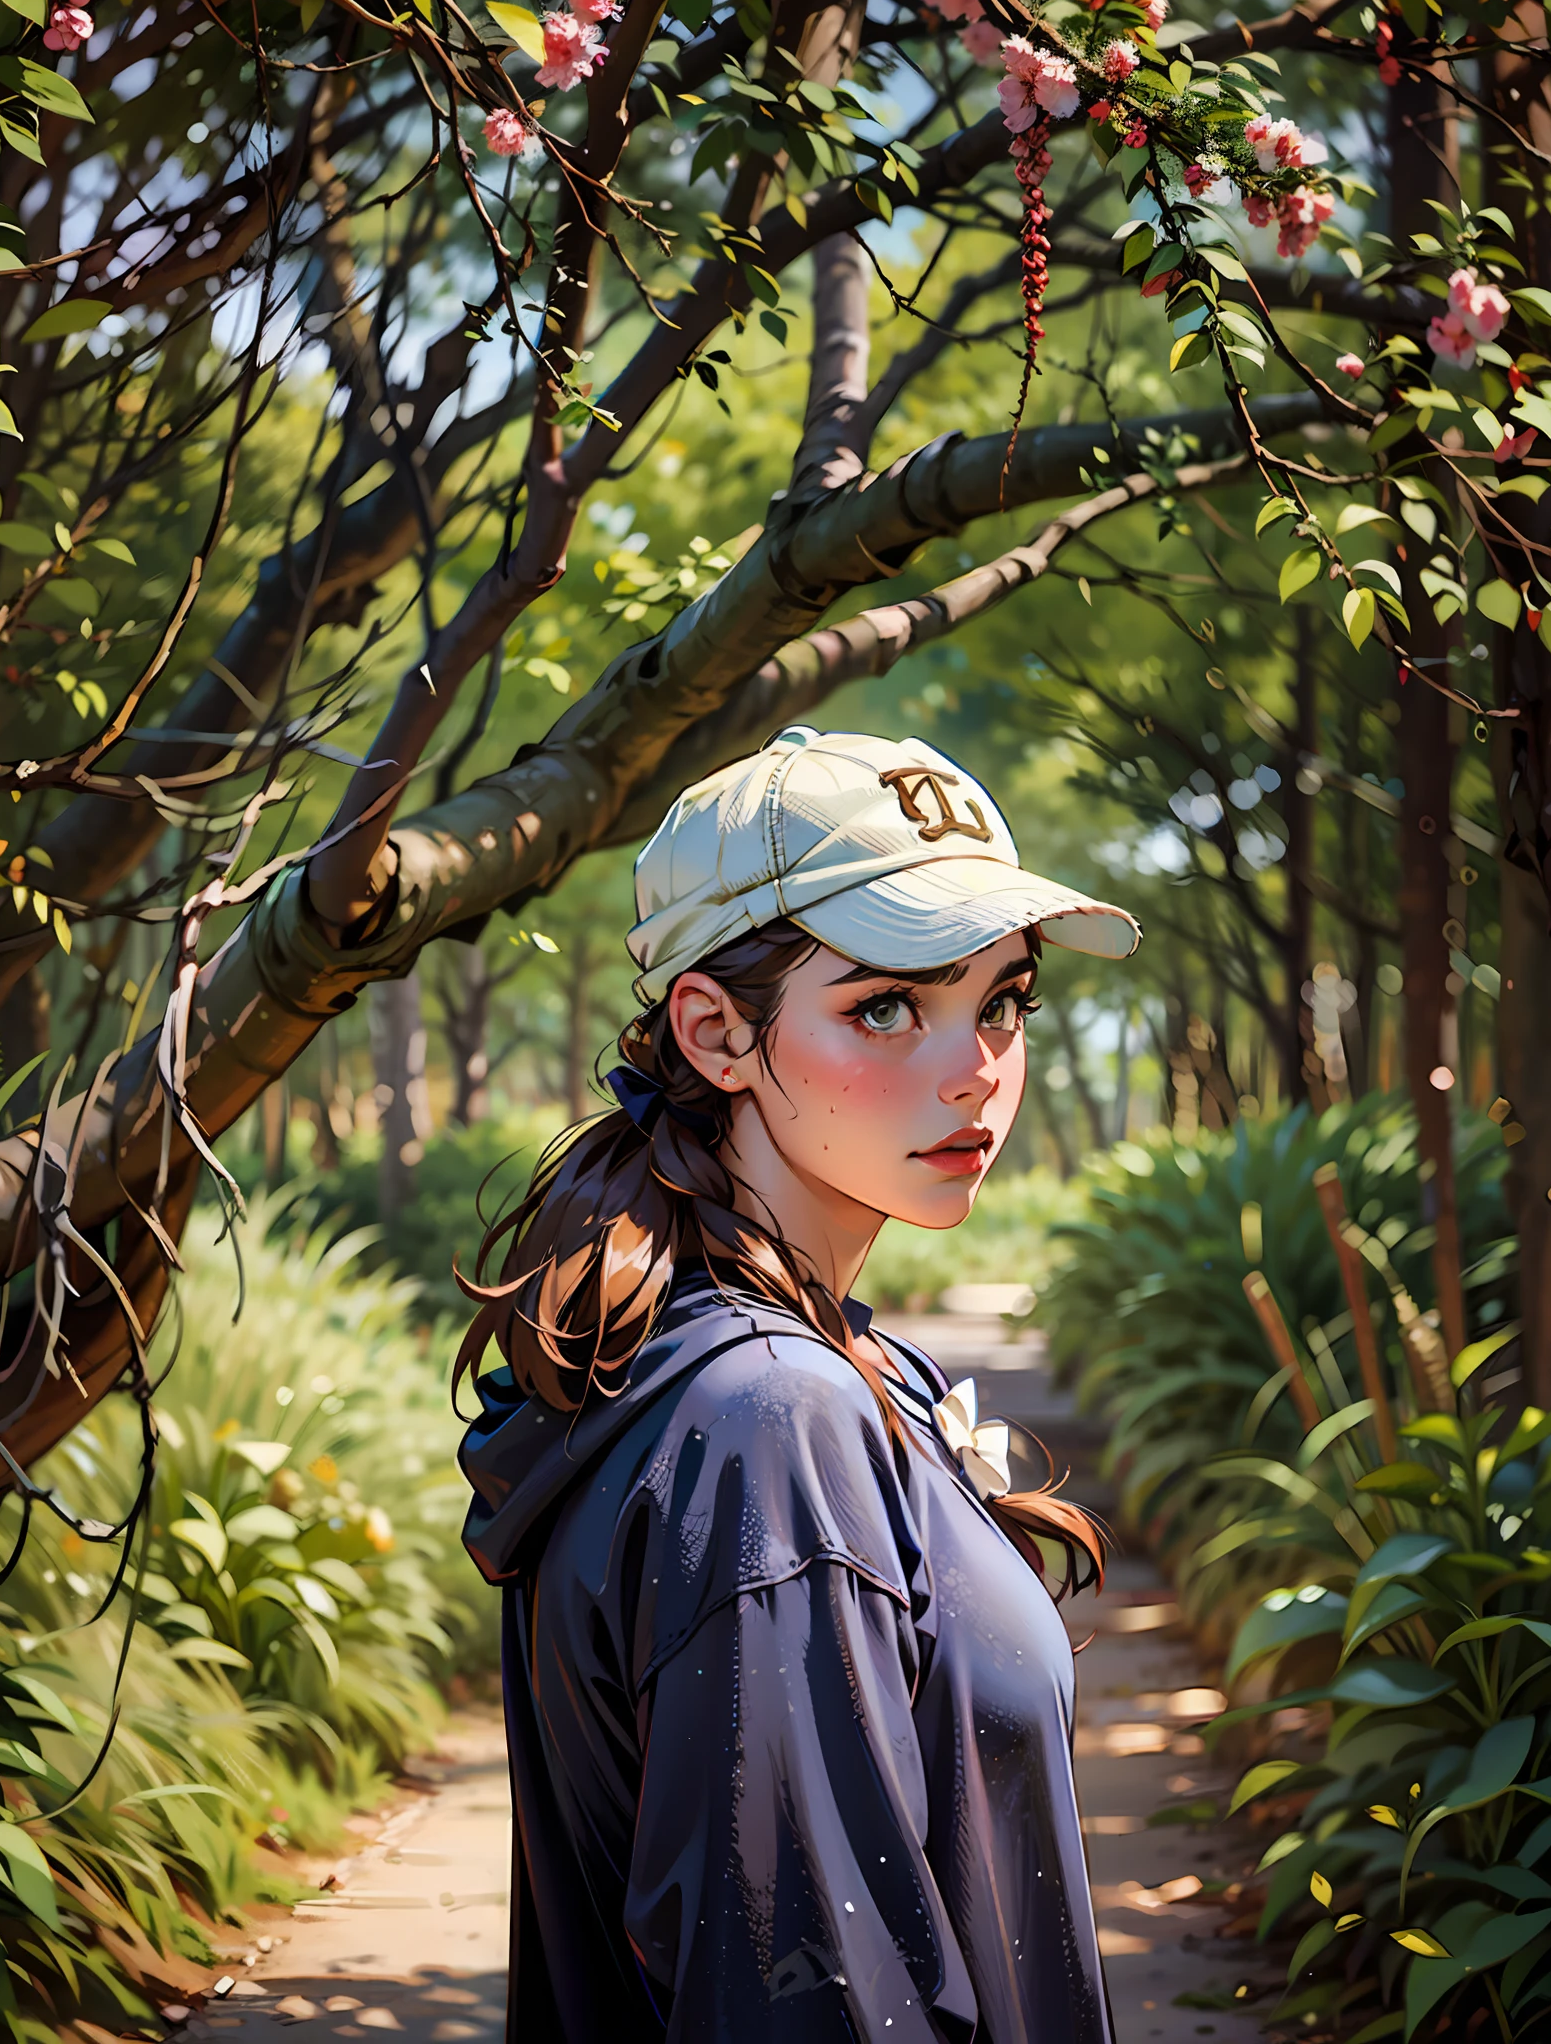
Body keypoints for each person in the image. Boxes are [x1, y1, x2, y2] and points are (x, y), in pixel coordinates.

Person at [457, 725, 1141, 2043]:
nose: (976, 1072)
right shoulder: (770, 1429)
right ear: (715, 1032)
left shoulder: (806, 1370)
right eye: (888, 1005)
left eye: (1002, 1001)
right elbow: (809, 1998)